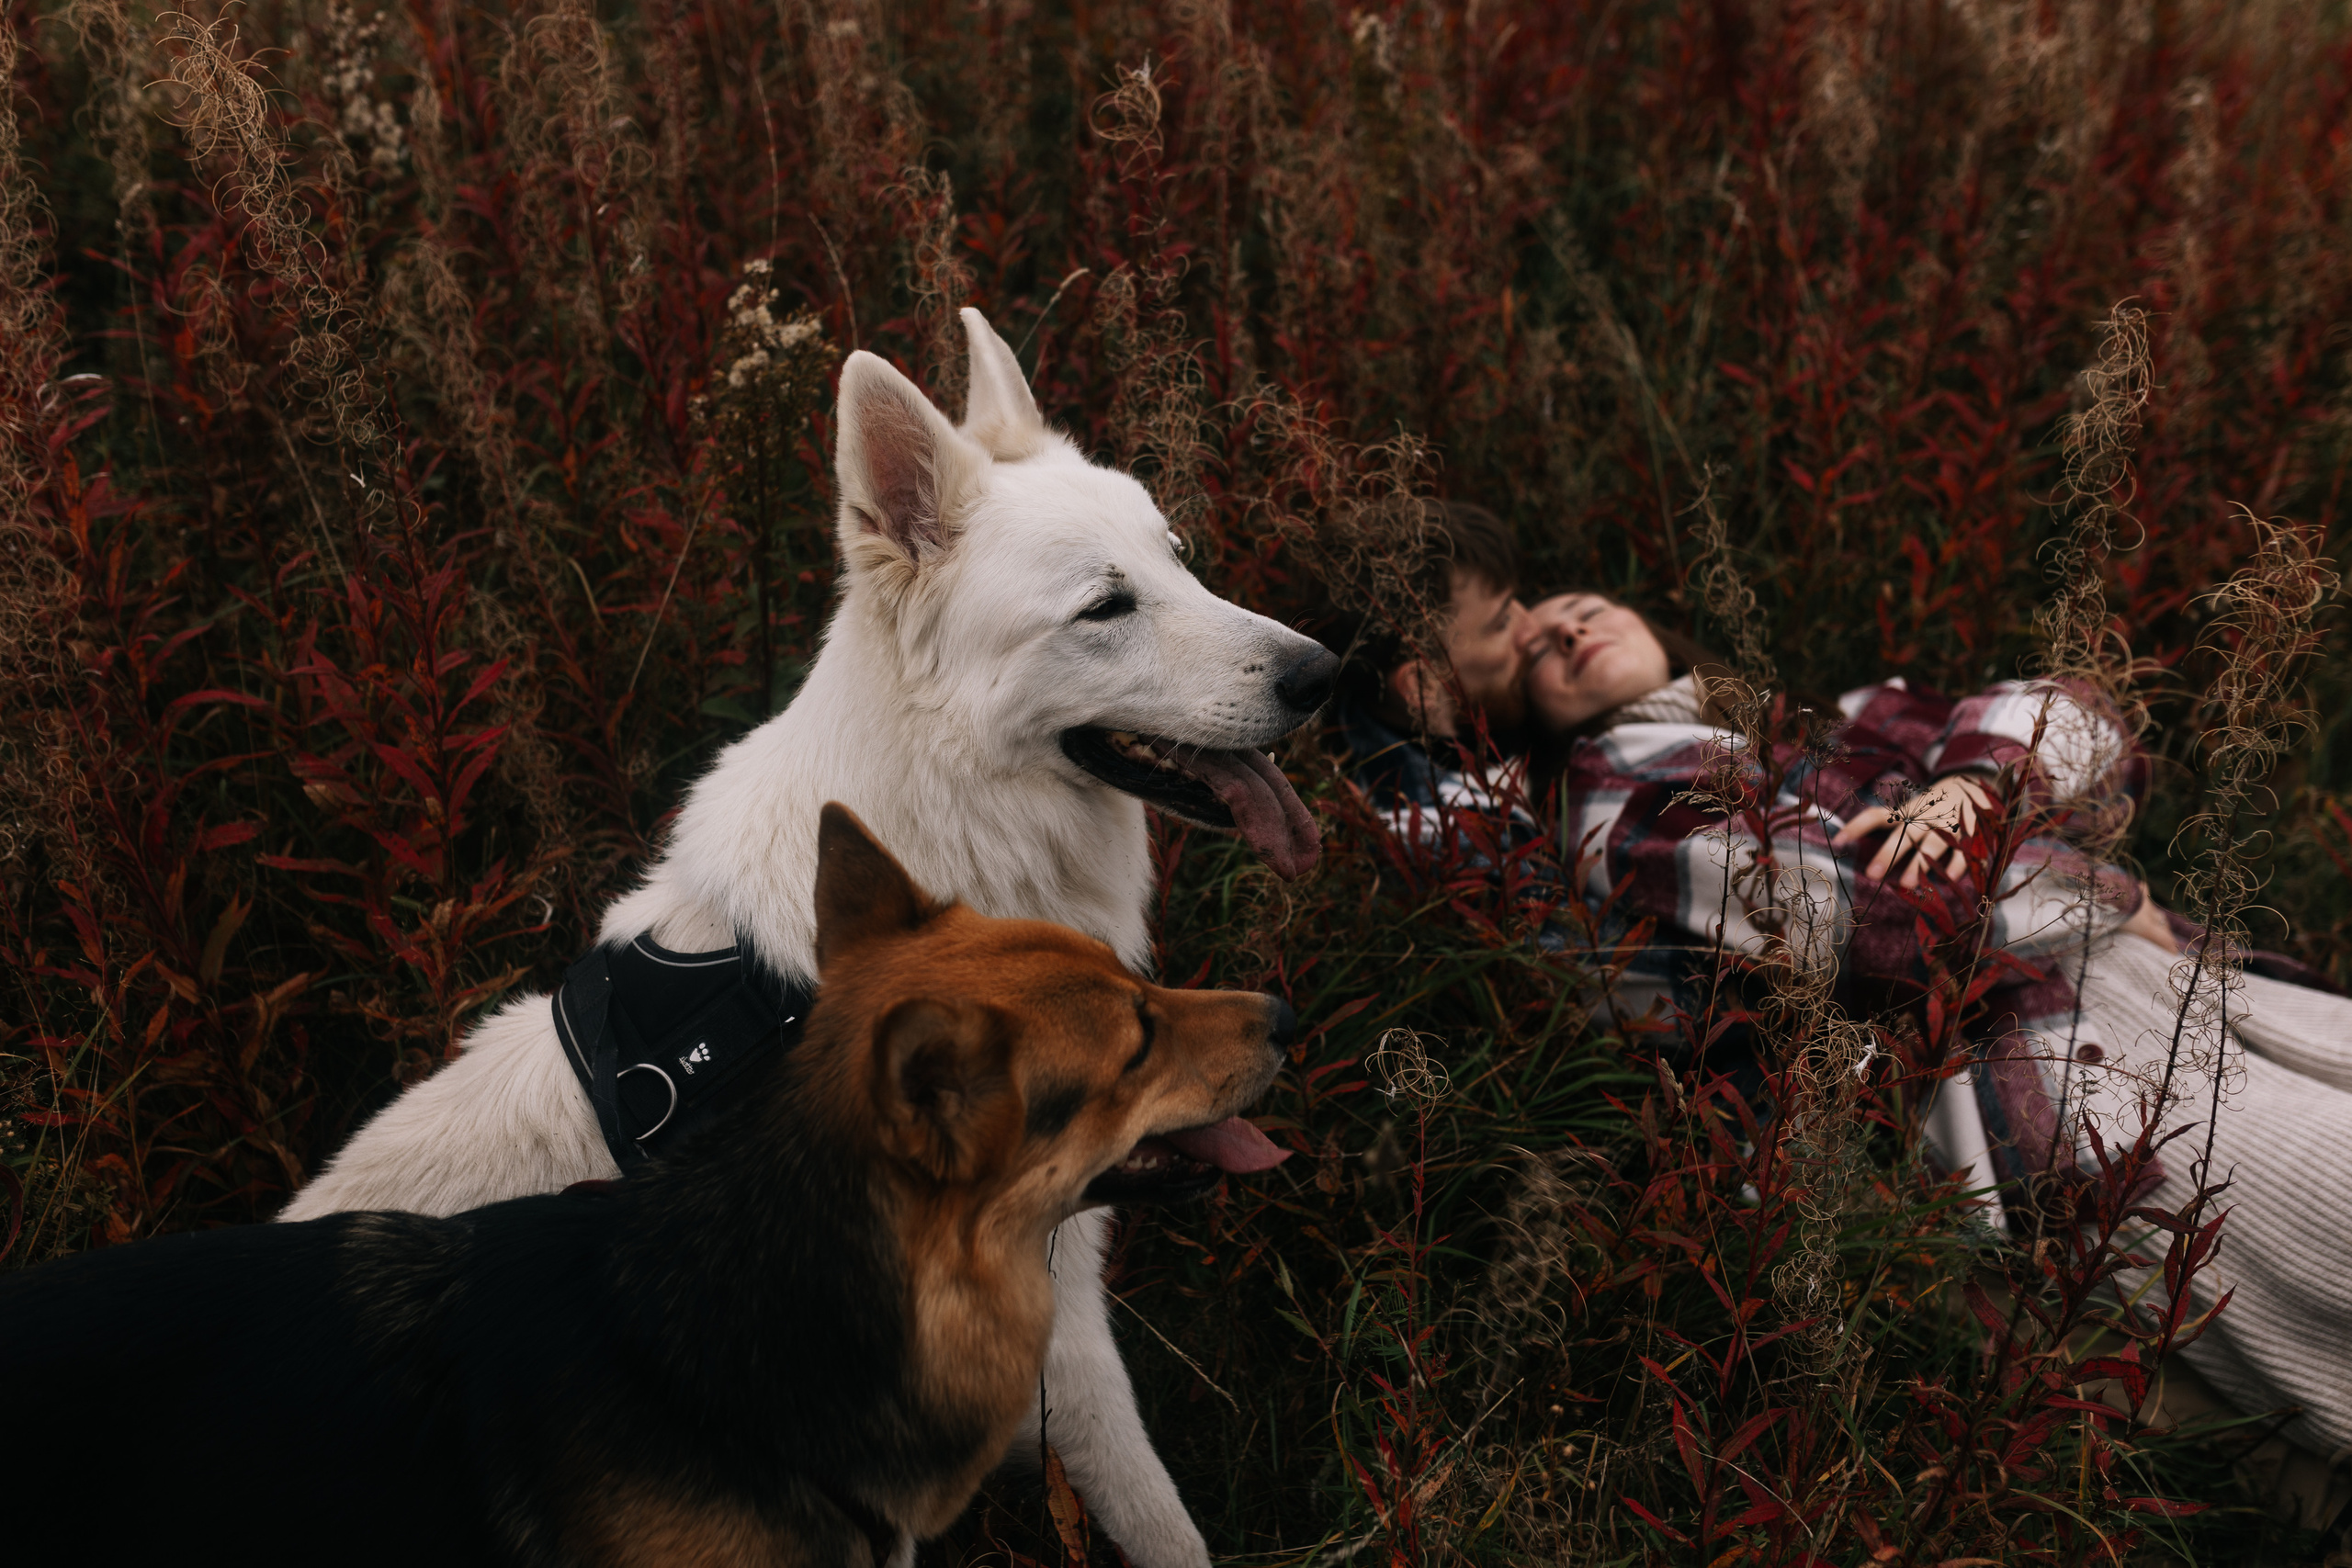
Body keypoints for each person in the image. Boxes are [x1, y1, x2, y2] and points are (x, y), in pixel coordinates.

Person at [1513, 589, 2352, 1514]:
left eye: (1584, 607)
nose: (1571, 631)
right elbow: (1883, 934)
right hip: (2049, 1063)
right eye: (1542, 647)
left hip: (2201, 992)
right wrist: (2095, 878)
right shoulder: (1615, 792)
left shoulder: (1838, 716)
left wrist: (1978, 789)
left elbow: (2082, 715)